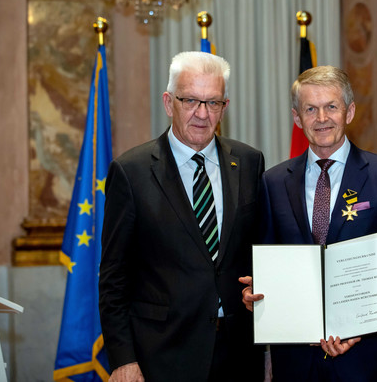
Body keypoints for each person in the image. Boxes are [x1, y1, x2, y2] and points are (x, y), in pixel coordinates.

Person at [240, 65, 377, 381]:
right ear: (297, 118)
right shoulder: (272, 183)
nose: (322, 118)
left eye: (331, 107)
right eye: (310, 109)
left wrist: (359, 322)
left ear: (349, 112)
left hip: (365, 360)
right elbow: (269, 266)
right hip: (296, 364)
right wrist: (257, 295)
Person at [100, 51, 265, 382]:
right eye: (190, 100)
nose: (202, 114)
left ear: (224, 107)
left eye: (213, 103)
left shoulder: (249, 162)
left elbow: (258, 249)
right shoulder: (131, 172)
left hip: (238, 354)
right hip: (162, 355)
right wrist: (123, 359)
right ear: (168, 102)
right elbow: (114, 277)